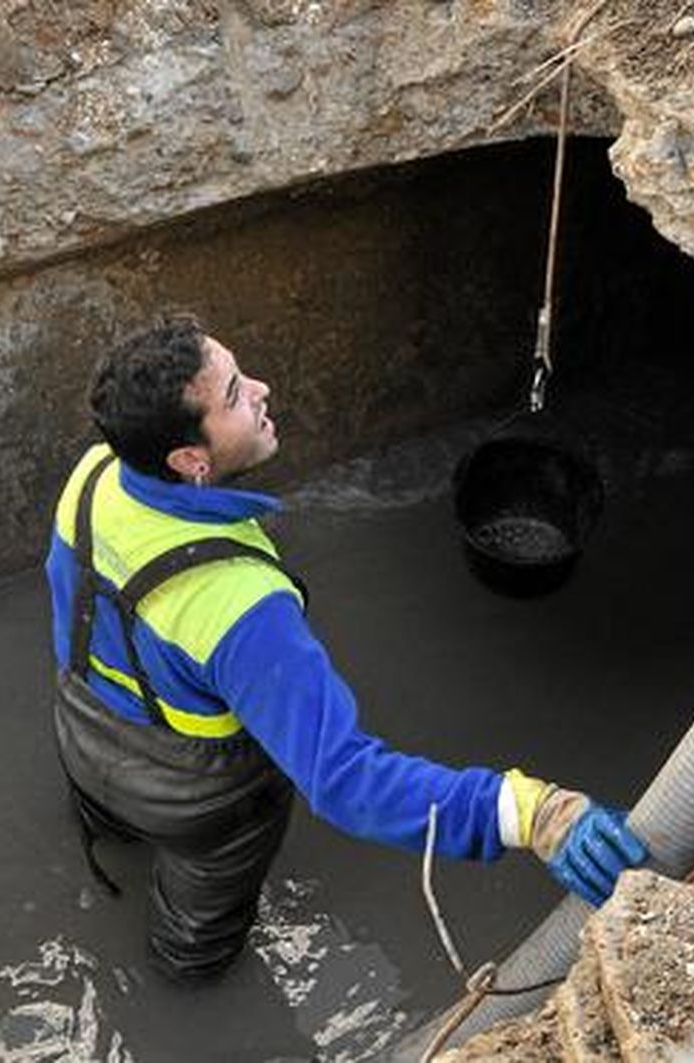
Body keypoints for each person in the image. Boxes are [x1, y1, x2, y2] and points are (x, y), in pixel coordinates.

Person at [45, 316, 647, 983]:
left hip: (81, 731)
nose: (264, 390)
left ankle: (109, 842)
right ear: (191, 459)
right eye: (237, 394)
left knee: (109, 828)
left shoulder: (96, 476)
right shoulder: (244, 609)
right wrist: (532, 813)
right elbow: (346, 781)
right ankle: (180, 992)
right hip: (199, 806)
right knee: (192, 951)